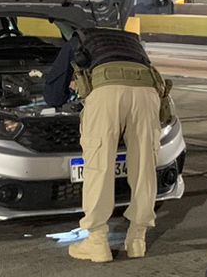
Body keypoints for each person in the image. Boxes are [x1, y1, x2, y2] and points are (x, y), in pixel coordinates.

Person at [44, 25, 165, 263]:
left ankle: (97, 241)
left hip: (107, 93)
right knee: (144, 167)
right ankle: (137, 239)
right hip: (147, 93)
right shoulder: (130, 41)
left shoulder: (79, 38)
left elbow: (53, 95)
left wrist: (68, 91)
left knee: (99, 166)